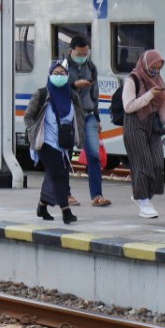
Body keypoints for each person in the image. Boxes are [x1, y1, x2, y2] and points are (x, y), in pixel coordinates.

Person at [23, 60, 84, 224]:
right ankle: (66, 211)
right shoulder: (42, 94)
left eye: (62, 74)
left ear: (67, 76)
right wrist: (33, 132)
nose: (59, 76)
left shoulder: (72, 96)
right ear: (50, 75)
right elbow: (28, 116)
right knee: (59, 175)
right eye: (55, 73)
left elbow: (78, 117)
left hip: (65, 142)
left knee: (54, 175)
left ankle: (42, 206)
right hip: (46, 142)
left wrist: (80, 136)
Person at [122, 50, 165, 219]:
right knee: (143, 164)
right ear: (145, 64)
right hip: (135, 124)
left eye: (158, 68)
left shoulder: (157, 80)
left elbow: (164, 107)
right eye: (153, 67)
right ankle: (144, 203)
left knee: (158, 164)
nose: (155, 71)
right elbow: (128, 106)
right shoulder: (132, 80)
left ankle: (142, 195)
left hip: (153, 126)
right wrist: (149, 95)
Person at [65, 34, 109, 207]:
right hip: (68, 115)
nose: (83, 57)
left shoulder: (91, 67)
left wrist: (97, 117)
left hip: (89, 114)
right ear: (71, 51)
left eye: (86, 54)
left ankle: (97, 195)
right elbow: (54, 89)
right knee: (65, 155)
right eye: (80, 54)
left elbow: (94, 94)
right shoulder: (62, 68)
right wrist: (74, 85)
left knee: (94, 154)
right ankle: (65, 194)